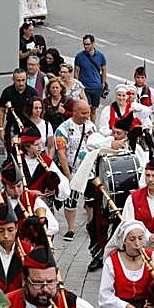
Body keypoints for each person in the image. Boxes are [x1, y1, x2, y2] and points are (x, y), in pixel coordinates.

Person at [54, 98, 94, 241]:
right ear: (75, 112)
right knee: (71, 201)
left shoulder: (90, 126)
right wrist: (68, 174)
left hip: (89, 170)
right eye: (83, 113)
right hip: (72, 170)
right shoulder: (63, 129)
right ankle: (71, 228)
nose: (86, 116)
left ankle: (91, 224)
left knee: (91, 199)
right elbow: (61, 153)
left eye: (88, 113)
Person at [74, 34, 107, 114]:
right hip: (84, 88)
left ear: (93, 44)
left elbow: (104, 70)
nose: (85, 46)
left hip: (96, 87)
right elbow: (76, 71)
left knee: (94, 110)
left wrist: (103, 83)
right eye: (84, 44)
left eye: (87, 44)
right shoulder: (79, 56)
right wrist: (77, 85)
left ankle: (92, 126)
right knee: (86, 109)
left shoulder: (101, 56)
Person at [0, 68, 35, 136]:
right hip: (12, 127)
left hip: (28, 126)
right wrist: (1, 129)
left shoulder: (32, 92)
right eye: (18, 80)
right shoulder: (7, 92)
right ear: (13, 79)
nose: (21, 83)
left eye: (23, 80)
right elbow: (1, 110)